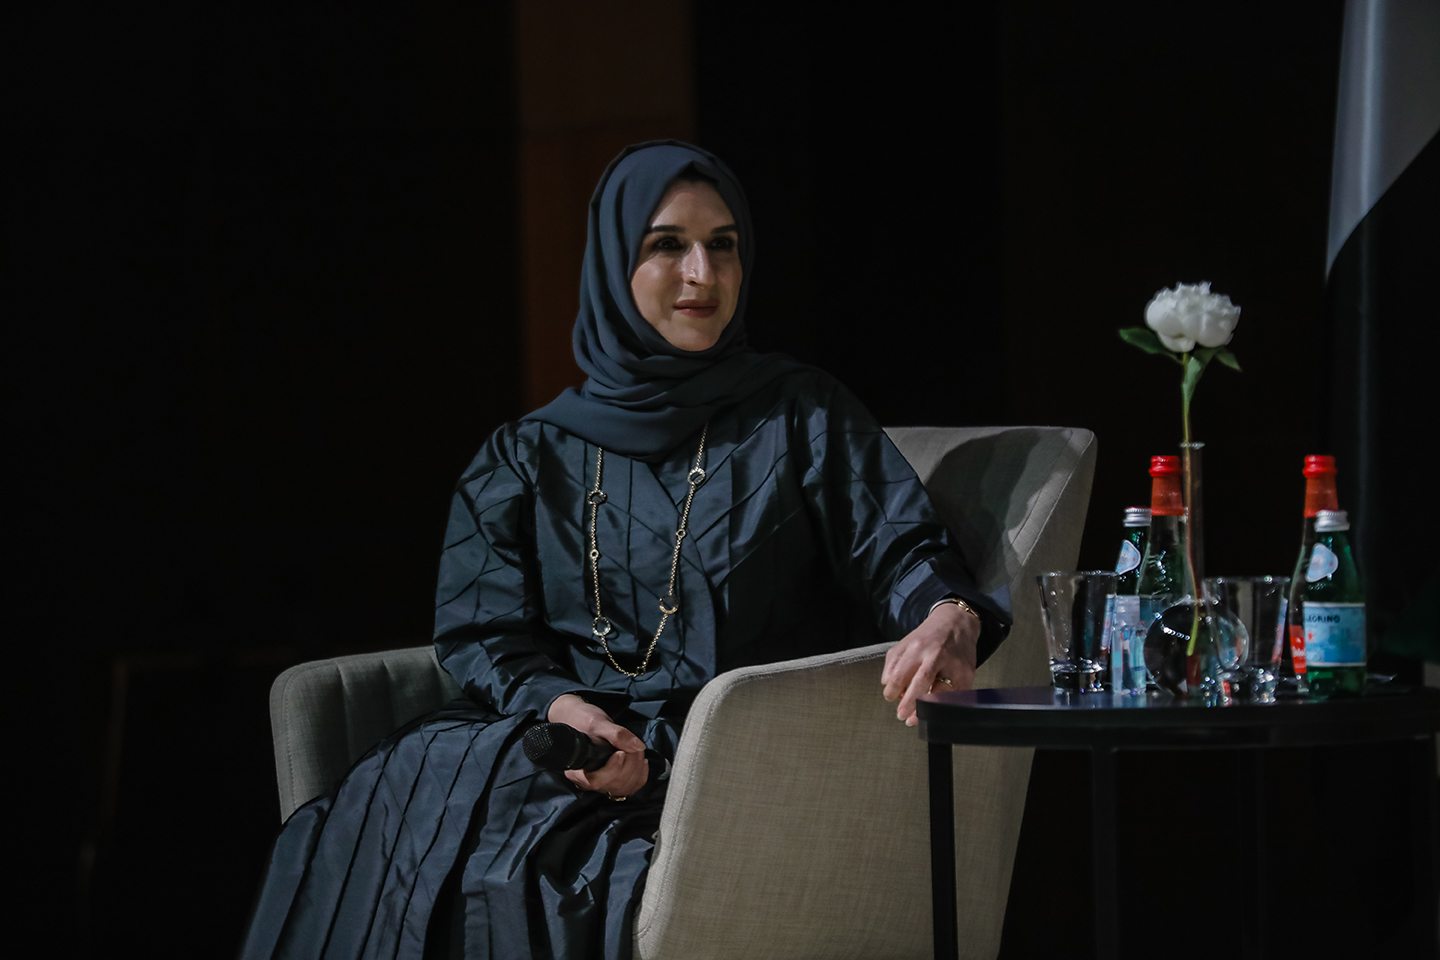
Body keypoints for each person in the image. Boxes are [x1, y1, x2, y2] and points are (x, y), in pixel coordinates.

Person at [239, 141, 1010, 960]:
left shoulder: (799, 416)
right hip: (566, 738)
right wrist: (565, 712)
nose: (702, 275)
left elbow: (899, 547)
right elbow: (485, 632)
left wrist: (948, 614)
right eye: (667, 245)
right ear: (613, 263)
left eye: (723, 245)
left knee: (536, 872)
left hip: (731, 750)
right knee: (403, 819)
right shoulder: (525, 456)